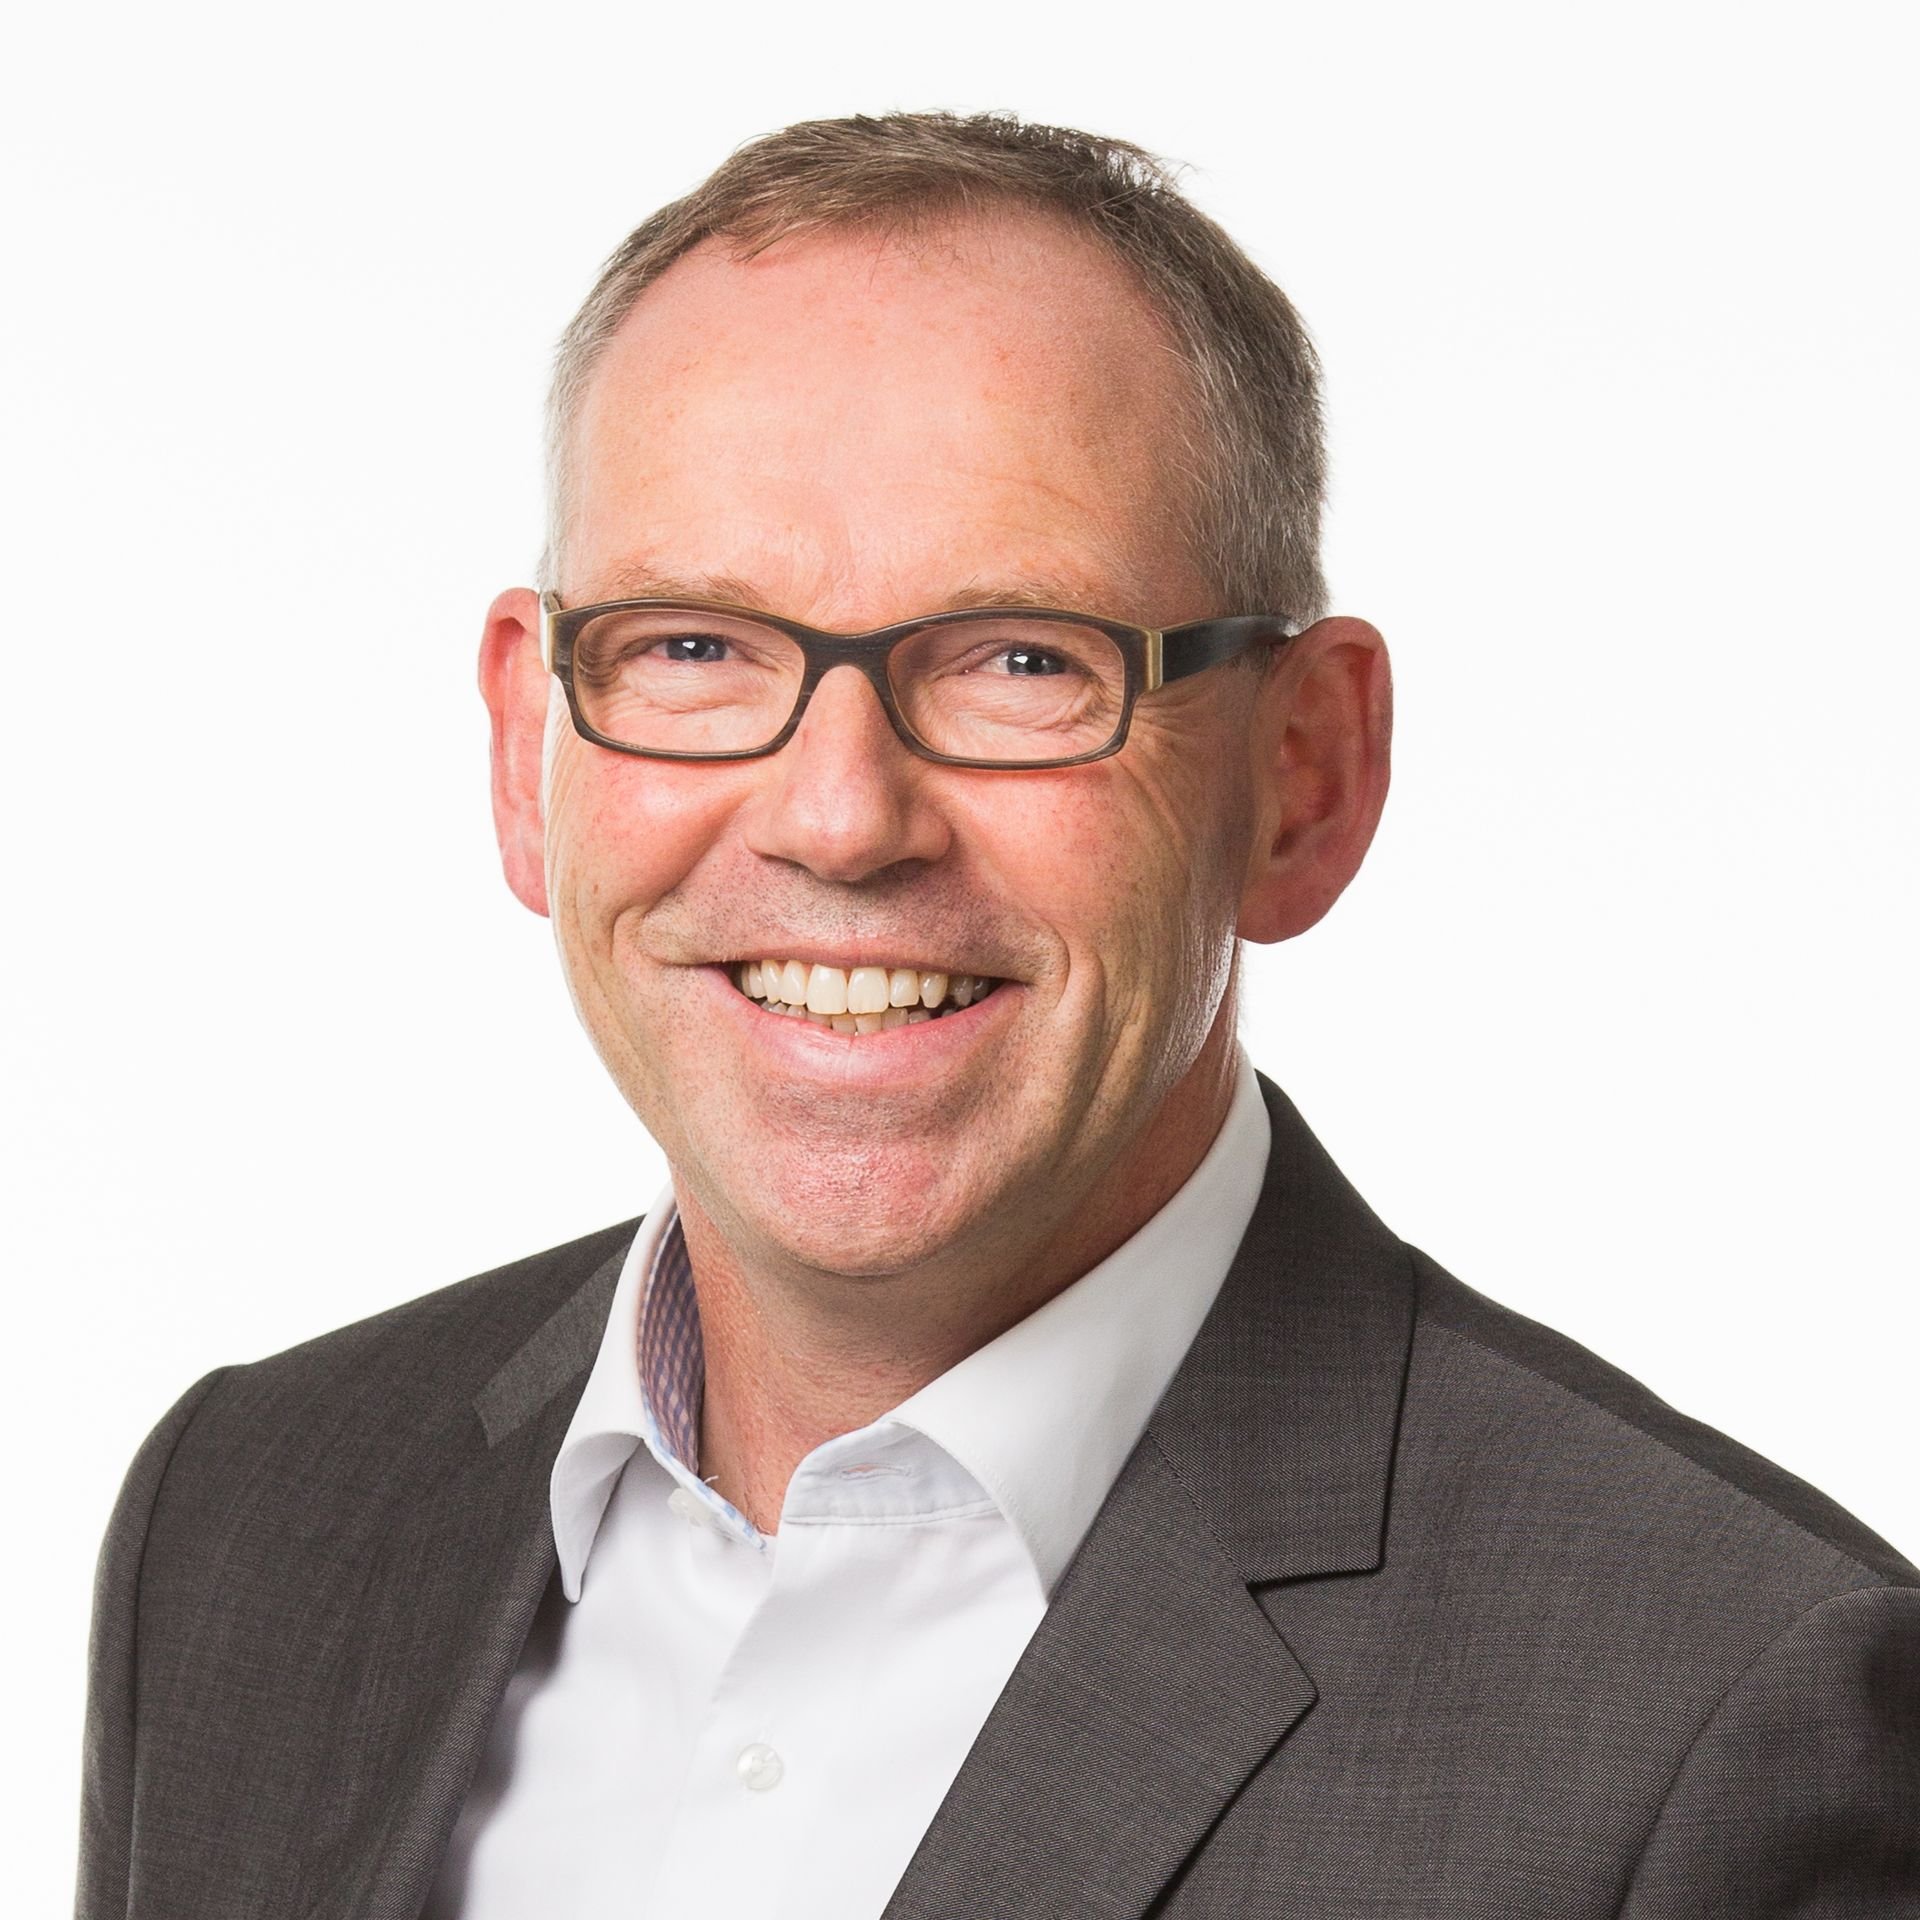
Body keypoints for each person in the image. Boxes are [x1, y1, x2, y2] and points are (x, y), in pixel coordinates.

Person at [78, 110, 1917, 1920]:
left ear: (1304, 775)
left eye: (1025, 659)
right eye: (694, 647)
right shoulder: (244, 1524)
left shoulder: (1721, 1723)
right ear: (522, 750)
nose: (839, 817)